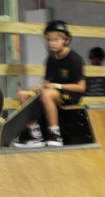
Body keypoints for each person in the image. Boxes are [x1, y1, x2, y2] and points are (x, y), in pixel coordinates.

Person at [14, 20, 85, 148]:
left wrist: (57, 86)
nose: (52, 43)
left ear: (66, 40)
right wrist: (38, 87)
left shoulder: (74, 59)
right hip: (54, 92)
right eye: (50, 40)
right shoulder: (51, 59)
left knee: (46, 95)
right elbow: (48, 83)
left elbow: (81, 87)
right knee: (24, 95)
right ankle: (36, 137)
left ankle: (55, 135)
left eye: (56, 40)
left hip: (71, 95)